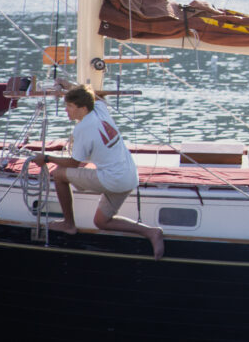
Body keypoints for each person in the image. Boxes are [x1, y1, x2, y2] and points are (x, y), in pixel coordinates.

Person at [32, 84, 164, 259]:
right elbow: (94, 95)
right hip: (129, 177)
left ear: (83, 108)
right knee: (101, 222)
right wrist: (69, 87)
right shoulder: (99, 108)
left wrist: (46, 158)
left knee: (59, 174)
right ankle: (151, 232)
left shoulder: (82, 129)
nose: (66, 110)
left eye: (70, 106)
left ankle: (68, 224)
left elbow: (73, 163)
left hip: (113, 179)